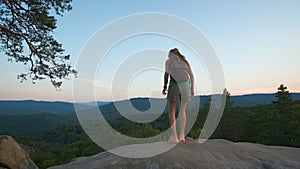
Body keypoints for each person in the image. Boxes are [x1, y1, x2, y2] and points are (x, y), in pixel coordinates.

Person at [162, 48, 194, 143]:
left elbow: (166, 74)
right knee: (182, 111)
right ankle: (182, 136)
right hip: (185, 86)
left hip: (174, 86)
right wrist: (191, 89)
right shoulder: (185, 62)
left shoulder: (169, 62)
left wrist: (164, 87)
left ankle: (174, 137)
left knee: (172, 112)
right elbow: (191, 75)